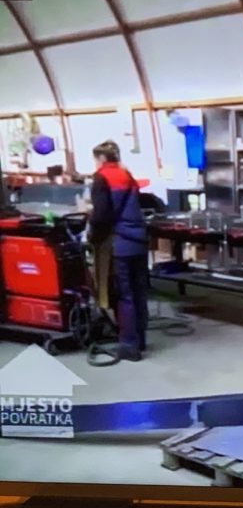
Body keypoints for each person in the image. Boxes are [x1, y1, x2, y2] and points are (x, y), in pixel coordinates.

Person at [88, 140, 149, 362]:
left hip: (120, 243)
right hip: (139, 241)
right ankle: (140, 340)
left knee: (124, 295)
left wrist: (92, 237)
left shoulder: (101, 177)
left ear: (102, 158)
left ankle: (128, 346)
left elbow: (102, 215)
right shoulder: (127, 175)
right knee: (139, 292)